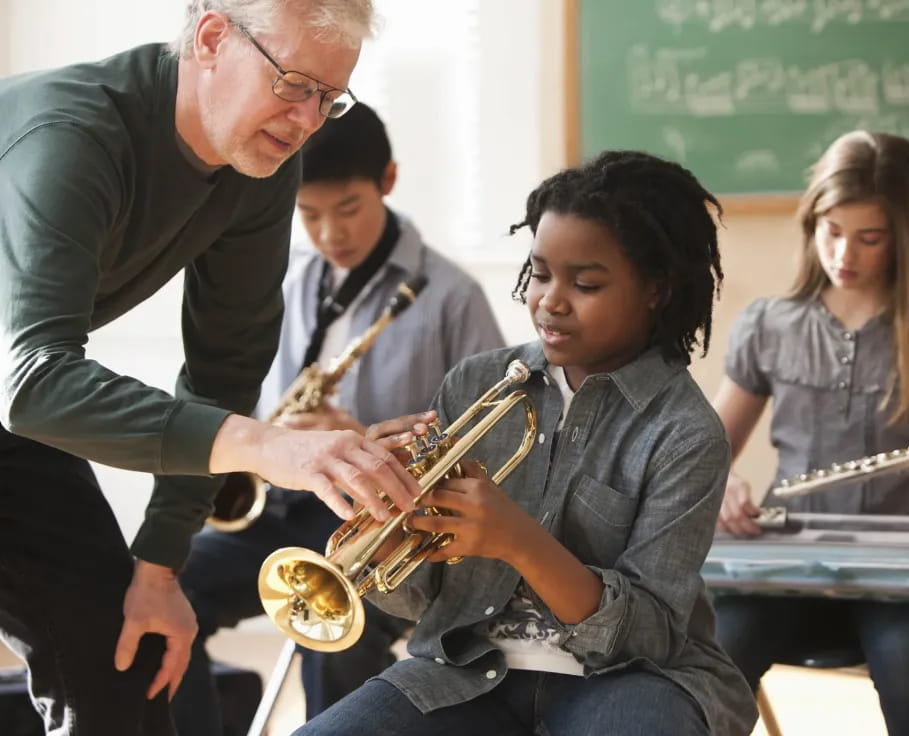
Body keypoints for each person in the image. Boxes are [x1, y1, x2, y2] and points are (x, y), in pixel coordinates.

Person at [0, 2, 428, 734]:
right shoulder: (72, 134)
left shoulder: (260, 162)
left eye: (330, 98)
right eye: (294, 83)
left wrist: (161, 567)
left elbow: (225, 367)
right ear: (211, 39)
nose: (305, 121)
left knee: (125, 661)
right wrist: (270, 446)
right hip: (19, 391)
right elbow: (33, 384)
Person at [296, 150, 759, 736]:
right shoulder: (473, 382)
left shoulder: (686, 432)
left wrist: (519, 542)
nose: (550, 300)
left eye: (585, 282)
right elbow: (420, 599)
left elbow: (648, 637)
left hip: (630, 680)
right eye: (540, 273)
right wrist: (386, 510)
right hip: (462, 672)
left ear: (656, 291)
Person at [171, 102, 505, 735]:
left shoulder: (451, 296)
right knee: (167, 590)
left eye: (347, 208)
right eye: (309, 214)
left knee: (337, 637)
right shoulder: (292, 280)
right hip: (287, 514)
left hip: (390, 533)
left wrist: (361, 440)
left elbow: (493, 442)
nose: (330, 234)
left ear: (388, 180)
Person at [712, 130, 909, 736]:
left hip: (907, 580)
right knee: (713, 664)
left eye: (870, 238)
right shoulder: (772, 325)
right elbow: (705, 453)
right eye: (831, 232)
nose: (844, 254)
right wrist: (721, 483)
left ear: (905, 237)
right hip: (789, 567)